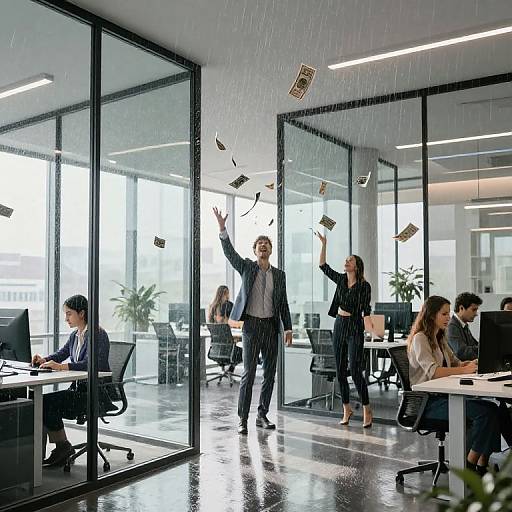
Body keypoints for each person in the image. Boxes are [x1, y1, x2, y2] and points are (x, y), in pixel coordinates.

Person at [213, 207, 292, 435]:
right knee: (248, 373)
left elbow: (283, 303)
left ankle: (262, 415)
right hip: (251, 327)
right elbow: (230, 253)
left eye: (266, 244)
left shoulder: (280, 275)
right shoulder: (247, 267)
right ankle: (242, 419)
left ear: (270, 250)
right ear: (255, 250)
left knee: (269, 373)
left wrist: (288, 328)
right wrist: (222, 229)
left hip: (270, 326)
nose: (263, 246)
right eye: (260, 244)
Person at [408, 295, 502, 475]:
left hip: (442, 397)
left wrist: (469, 364)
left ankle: (481, 464)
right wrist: (462, 371)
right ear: (431, 315)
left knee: (495, 410)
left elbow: (456, 362)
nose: (448, 318)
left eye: (448, 314)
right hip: (427, 403)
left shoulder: (439, 337)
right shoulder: (420, 338)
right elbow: (434, 372)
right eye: (444, 314)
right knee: (485, 413)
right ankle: (469, 465)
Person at [31, 295, 111, 467]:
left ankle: (63, 447)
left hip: (95, 393)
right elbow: (60, 354)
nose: (66, 318)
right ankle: (62, 447)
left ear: (81, 313)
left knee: (46, 403)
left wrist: (60, 367)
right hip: (79, 390)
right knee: (43, 401)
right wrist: (43, 360)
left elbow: (91, 364)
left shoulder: (98, 334)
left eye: (69, 314)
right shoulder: (75, 335)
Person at [315, 232, 373, 428]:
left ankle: (366, 407)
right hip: (339, 324)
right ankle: (346, 408)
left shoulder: (365, 286)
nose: (346, 261)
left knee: (356, 370)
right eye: (346, 259)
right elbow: (323, 266)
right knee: (340, 370)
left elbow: (366, 308)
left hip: (355, 326)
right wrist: (324, 244)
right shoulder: (340, 280)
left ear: (357, 266)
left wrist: (370, 326)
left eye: (350, 260)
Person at [447, 292, 482, 361]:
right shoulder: (452, 326)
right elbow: (461, 352)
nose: (476, 314)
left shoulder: (463, 325)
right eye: (473, 310)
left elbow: (475, 346)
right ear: (461, 308)